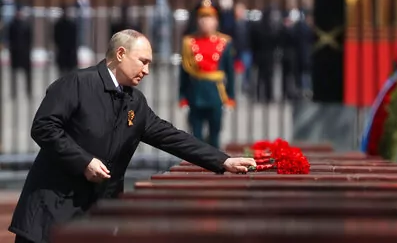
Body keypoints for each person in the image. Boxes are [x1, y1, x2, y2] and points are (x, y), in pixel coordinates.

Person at [9, 29, 255, 243]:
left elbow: (170, 136)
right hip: (49, 214)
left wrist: (222, 161)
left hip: (95, 217)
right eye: (143, 61)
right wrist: (83, 161)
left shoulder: (134, 101)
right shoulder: (77, 83)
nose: (147, 71)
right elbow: (44, 126)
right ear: (120, 55)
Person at [179, 0, 235, 149]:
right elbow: (184, 72)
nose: (206, 22)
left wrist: (230, 97)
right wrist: (182, 97)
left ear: (216, 21)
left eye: (209, 17)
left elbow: (230, 71)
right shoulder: (189, 42)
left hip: (216, 93)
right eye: (202, 17)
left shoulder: (224, 42)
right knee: (196, 136)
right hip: (195, 93)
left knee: (215, 134)